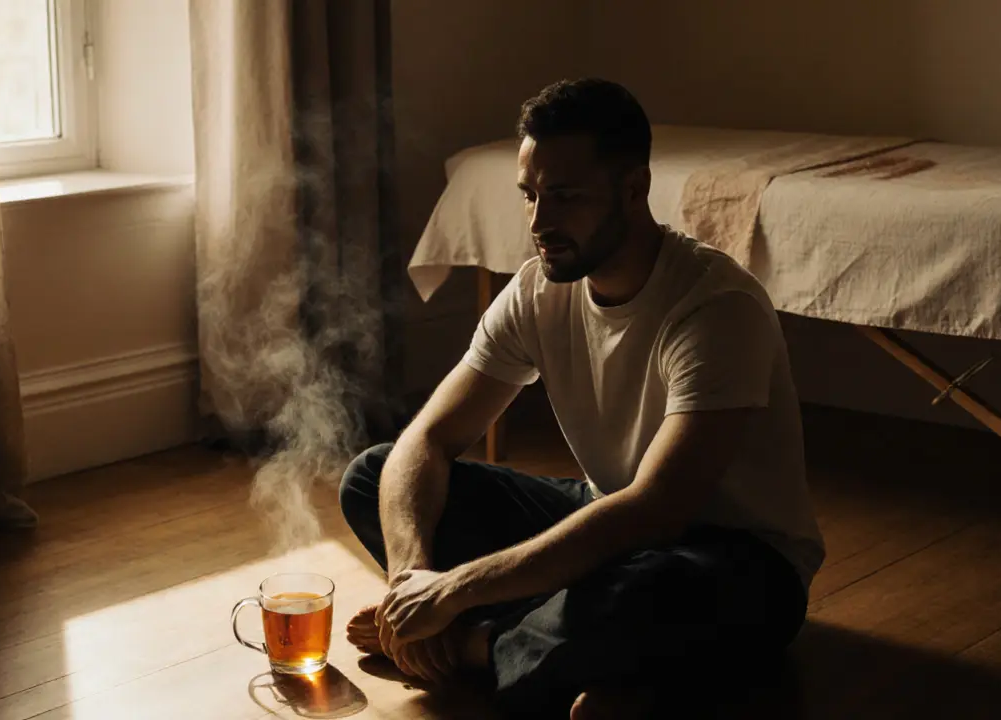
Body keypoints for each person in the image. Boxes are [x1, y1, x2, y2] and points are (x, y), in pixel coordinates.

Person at [338, 78, 825, 719]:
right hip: (607, 516)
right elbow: (426, 440)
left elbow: (655, 512)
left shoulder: (716, 307)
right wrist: (412, 584)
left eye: (564, 196)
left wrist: (453, 596)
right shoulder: (539, 289)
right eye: (530, 195)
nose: (540, 222)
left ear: (634, 189)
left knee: (649, 591)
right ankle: (577, 657)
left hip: (732, 560)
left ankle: (479, 647)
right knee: (373, 475)